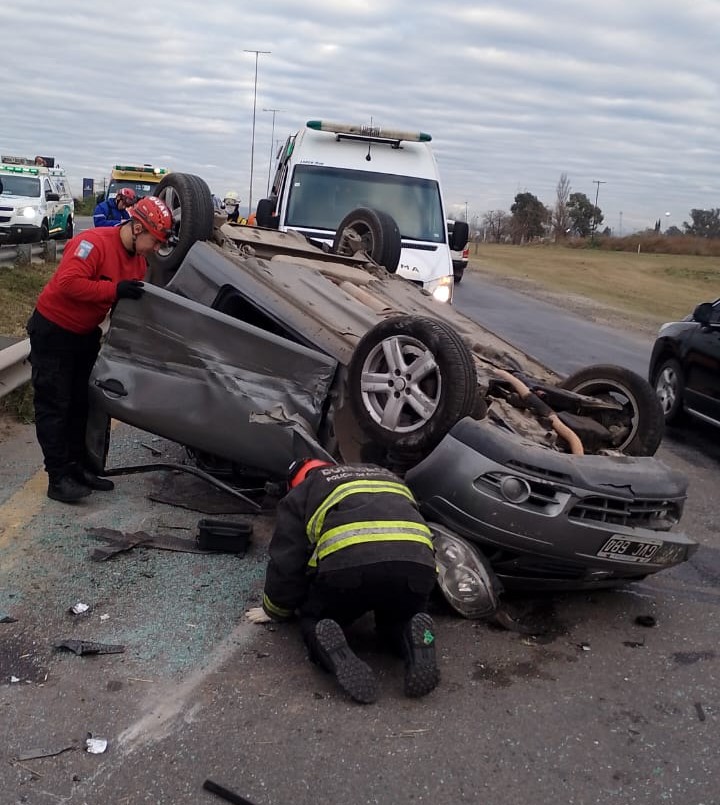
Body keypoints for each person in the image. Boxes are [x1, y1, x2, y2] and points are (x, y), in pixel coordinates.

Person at [246, 458, 439, 704]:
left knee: (315, 619)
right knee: (399, 617)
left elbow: (288, 558)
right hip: (416, 565)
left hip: (350, 570)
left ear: (296, 481)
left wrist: (275, 609)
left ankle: (333, 652)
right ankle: (418, 639)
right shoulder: (388, 477)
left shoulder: (308, 487)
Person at [26, 196, 173, 503]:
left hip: (84, 334)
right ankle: (58, 477)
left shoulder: (138, 261)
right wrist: (113, 290)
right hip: (53, 330)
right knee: (55, 405)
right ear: (136, 228)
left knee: (82, 404)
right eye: (154, 241)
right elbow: (68, 283)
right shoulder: (92, 243)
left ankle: (78, 467)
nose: (155, 249)